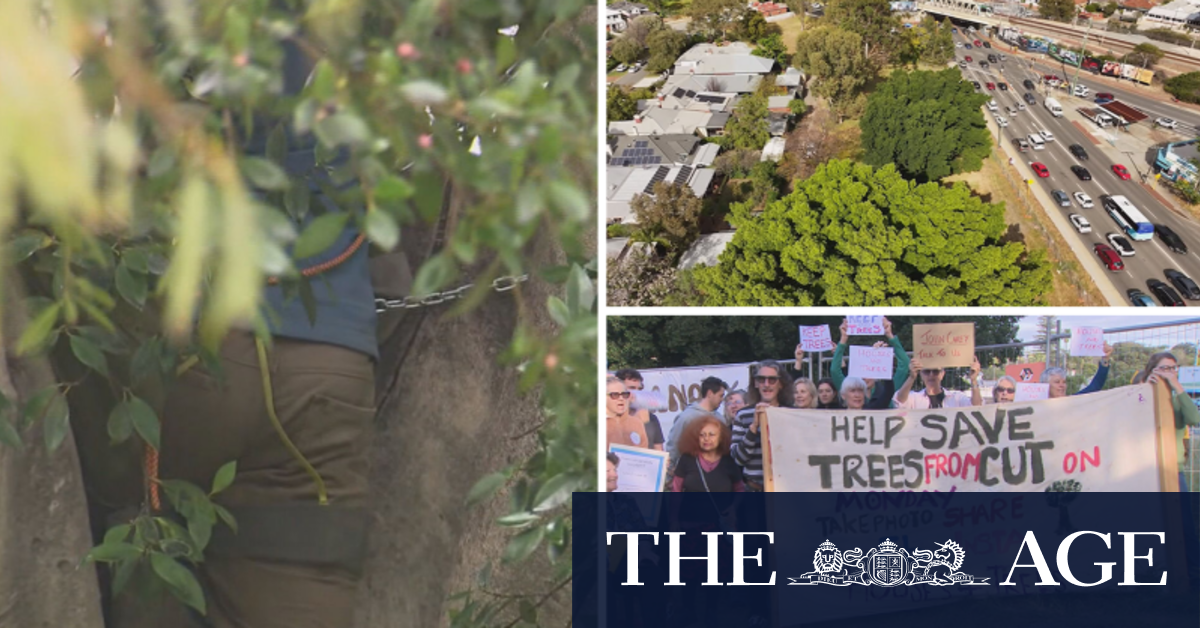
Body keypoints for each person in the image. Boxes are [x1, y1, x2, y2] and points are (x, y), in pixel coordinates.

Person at [1132, 353, 1200, 489]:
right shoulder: (1140, 396)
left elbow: (1194, 419)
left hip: (1173, 470)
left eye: (1174, 368)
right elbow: (1133, 417)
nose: (1170, 373)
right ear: (1152, 370)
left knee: (1180, 510)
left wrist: (1177, 386)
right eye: (1165, 368)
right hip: (1144, 468)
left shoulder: (1177, 401)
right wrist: (1144, 389)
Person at [730, 361, 794, 492]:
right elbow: (737, 459)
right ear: (755, 383)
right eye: (761, 379)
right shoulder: (743, 415)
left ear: (780, 384)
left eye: (772, 380)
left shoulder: (791, 414)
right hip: (754, 490)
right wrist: (753, 428)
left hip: (785, 489)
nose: (766, 384)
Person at [826, 318, 911, 410]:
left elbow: (904, 366)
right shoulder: (848, 387)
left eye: (868, 371)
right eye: (860, 372)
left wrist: (890, 336)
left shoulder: (887, 388)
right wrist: (843, 339)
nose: (864, 377)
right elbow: (835, 371)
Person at [671, 415, 745, 494]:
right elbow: (676, 489)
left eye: (711, 434)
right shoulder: (687, 458)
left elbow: (739, 489)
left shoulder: (729, 460)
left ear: (721, 437)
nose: (706, 439)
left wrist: (733, 506)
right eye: (702, 435)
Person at [665, 377, 728, 461]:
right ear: (709, 393)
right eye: (720, 395)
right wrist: (671, 467)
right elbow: (674, 443)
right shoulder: (687, 417)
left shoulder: (721, 419)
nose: (722, 399)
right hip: (689, 469)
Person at [894, 356, 983, 409]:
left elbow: (976, 406)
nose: (931, 375)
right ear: (921, 374)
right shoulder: (914, 398)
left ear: (942, 374)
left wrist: (973, 380)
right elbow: (899, 400)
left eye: (935, 371)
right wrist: (912, 377)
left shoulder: (956, 397)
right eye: (927, 371)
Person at [615, 369, 665, 452]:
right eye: (632, 388)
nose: (637, 393)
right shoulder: (611, 417)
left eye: (639, 389)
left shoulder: (651, 418)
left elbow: (659, 449)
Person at [1043, 342, 1112, 398]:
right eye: (1057, 382)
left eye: (1064, 382)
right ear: (1045, 385)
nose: (1062, 385)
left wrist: (1105, 359)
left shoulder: (1073, 402)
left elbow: (1095, 386)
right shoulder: (1038, 408)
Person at [606, 376, 649, 449]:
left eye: (624, 394)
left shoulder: (636, 423)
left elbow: (644, 452)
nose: (621, 398)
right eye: (615, 395)